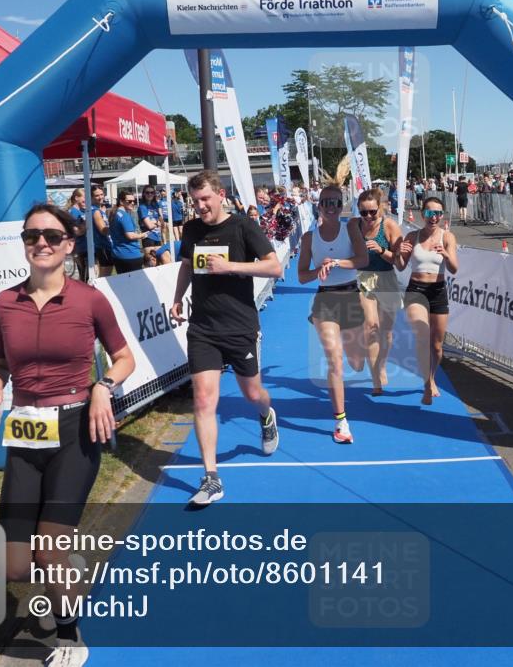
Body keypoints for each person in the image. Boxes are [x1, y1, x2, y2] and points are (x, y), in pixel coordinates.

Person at [0, 203, 135, 667]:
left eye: (50, 236)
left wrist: (103, 387)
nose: (40, 243)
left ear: (68, 244)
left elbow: (124, 358)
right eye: (31, 236)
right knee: (14, 566)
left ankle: (69, 636)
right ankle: (61, 569)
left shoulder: (89, 300)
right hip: (25, 431)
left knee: (48, 549)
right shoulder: (4, 303)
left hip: (75, 429)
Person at [170, 171, 282, 505]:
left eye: (205, 199)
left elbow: (274, 267)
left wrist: (231, 266)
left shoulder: (243, 226)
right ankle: (211, 477)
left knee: (253, 393)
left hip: (240, 327)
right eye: (195, 201)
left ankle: (266, 415)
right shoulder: (191, 229)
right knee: (204, 400)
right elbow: (187, 266)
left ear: (220, 195)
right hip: (203, 328)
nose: (201, 206)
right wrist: (177, 298)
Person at [297, 184, 369, 444]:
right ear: (319, 206)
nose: (331, 207)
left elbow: (363, 260)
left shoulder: (351, 229)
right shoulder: (309, 238)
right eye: (326, 202)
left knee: (357, 362)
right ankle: (341, 422)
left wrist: (338, 263)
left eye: (336, 202)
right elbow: (301, 276)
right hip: (325, 300)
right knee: (335, 361)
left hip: (351, 297)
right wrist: (319, 271)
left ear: (341, 206)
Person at [396, 196, 459, 405]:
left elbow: (454, 269)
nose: (434, 217)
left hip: (438, 290)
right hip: (416, 290)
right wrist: (399, 254)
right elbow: (400, 266)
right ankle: (426, 386)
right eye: (430, 213)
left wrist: (446, 255)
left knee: (437, 346)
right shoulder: (412, 236)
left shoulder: (447, 237)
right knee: (423, 336)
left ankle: (431, 378)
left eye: (438, 213)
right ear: (423, 214)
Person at [350, 189, 403, 396]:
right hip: (363, 278)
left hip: (386, 279)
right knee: (371, 327)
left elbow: (398, 262)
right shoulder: (354, 225)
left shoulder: (389, 226)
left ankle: (381, 365)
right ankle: (375, 381)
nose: (368, 216)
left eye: (372, 211)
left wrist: (381, 250)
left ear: (380, 208)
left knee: (386, 332)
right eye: (363, 212)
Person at [108, 189, 146, 274]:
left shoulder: (115, 213)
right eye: (129, 201)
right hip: (130, 254)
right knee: (136, 281)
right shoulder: (124, 215)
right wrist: (142, 235)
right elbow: (130, 235)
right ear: (121, 202)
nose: (132, 203)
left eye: (134, 201)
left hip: (118, 255)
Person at [90, 186, 114, 278]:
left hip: (104, 245)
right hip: (102, 245)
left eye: (101, 194)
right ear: (91, 197)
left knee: (105, 274)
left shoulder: (98, 209)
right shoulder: (95, 211)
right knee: (105, 276)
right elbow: (103, 230)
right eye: (97, 195)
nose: (100, 197)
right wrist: (116, 227)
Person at [65, 188, 89, 280]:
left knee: (88, 274)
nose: (86, 200)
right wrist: (87, 226)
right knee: (84, 274)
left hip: (85, 247)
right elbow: (76, 232)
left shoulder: (81, 211)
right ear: (76, 198)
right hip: (80, 248)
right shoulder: (73, 212)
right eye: (84, 197)